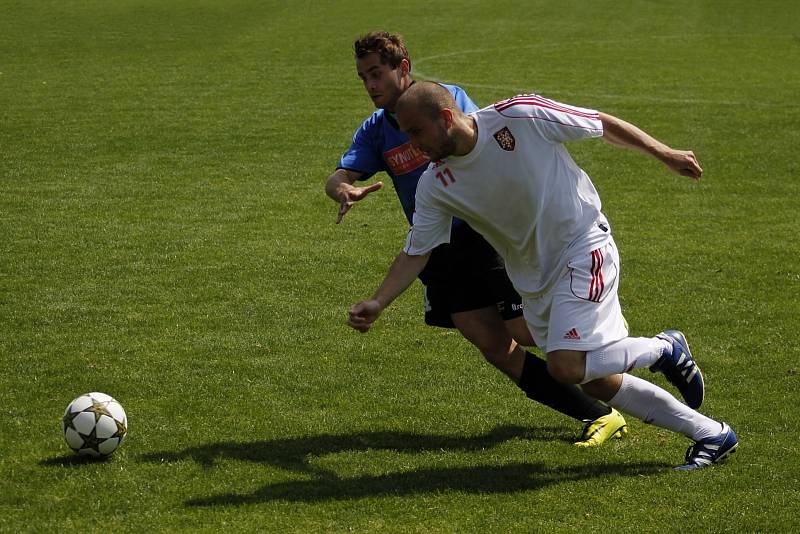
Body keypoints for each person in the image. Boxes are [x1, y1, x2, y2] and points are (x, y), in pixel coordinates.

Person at [347, 81, 739, 470]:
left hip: (583, 248)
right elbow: (418, 249)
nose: (413, 145)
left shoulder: (519, 116)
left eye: (417, 132)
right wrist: (379, 301)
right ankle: (712, 434)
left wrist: (663, 152)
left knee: (565, 366)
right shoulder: (436, 183)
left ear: (446, 117)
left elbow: (598, 123)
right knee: (597, 381)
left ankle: (663, 349)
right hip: (534, 279)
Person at [326, 31, 627, 446]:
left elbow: (473, 145)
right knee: (494, 346)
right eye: (363, 77)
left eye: (377, 73)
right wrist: (343, 188)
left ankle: (626, 369)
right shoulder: (377, 130)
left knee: (526, 331)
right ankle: (598, 414)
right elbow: (339, 175)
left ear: (403, 69)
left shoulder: (443, 102)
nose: (371, 85)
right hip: (436, 252)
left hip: (479, 238)